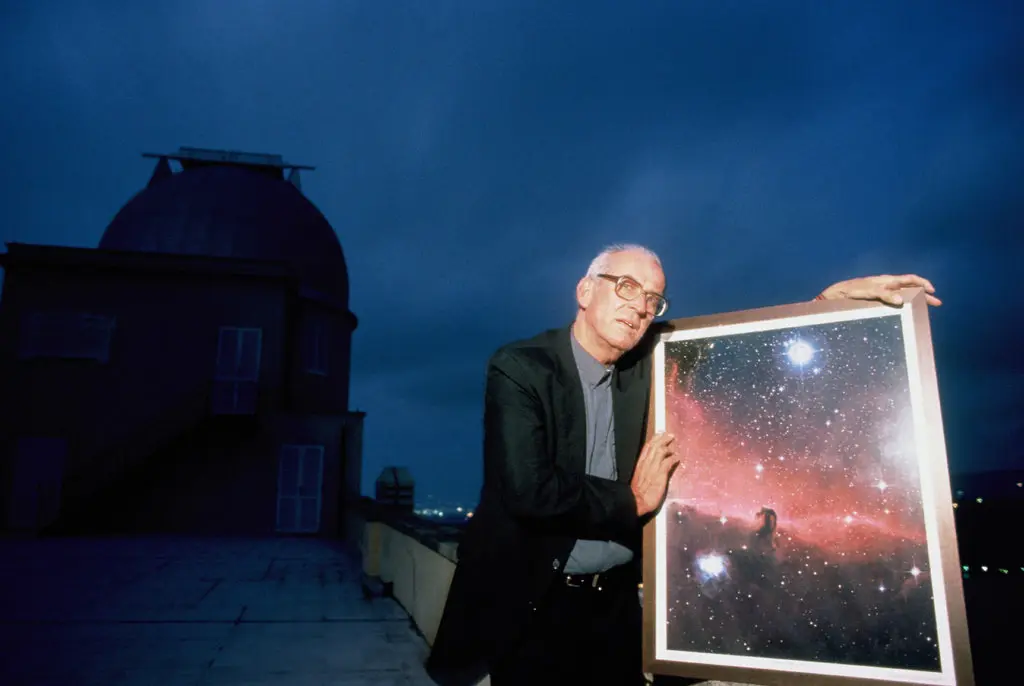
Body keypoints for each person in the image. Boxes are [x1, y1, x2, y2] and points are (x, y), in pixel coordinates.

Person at [425, 244, 941, 686]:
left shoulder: (651, 364)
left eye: (652, 298)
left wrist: (825, 305)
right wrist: (634, 500)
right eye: (626, 286)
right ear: (585, 291)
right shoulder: (520, 367)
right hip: (533, 606)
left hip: (615, 611)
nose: (640, 307)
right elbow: (526, 489)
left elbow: (736, 348)